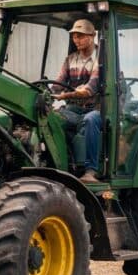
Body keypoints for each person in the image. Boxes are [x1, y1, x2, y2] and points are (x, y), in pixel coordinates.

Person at [53, 19, 101, 184]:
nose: (76, 40)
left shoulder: (101, 58)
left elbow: (89, 89)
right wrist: (47, 93)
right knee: (52, 119)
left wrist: (65, 96)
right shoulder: (70, 59)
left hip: (99, 108)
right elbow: (58, 84)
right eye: (74, 36)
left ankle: (90, 170)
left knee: (90, 120)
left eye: (80, 36)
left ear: (92, 36)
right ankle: (63, 166)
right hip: (74, 108)